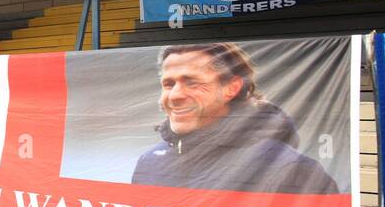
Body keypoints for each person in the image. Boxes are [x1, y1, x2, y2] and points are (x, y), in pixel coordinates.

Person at [131, 43, 339, 195]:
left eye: (192, 83)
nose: (175, 96)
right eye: (168, 84)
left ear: (231, 87)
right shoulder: (149, 161)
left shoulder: (292, 169)